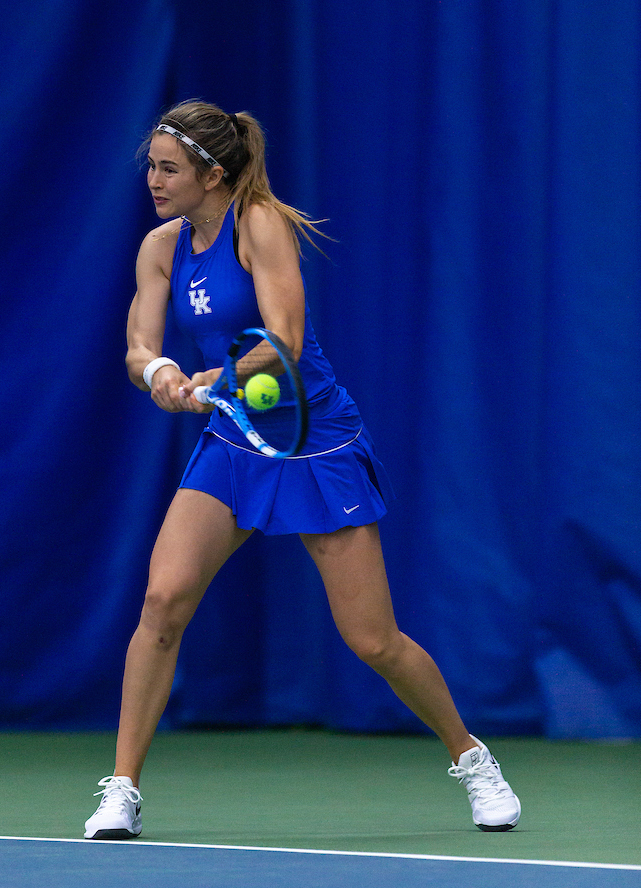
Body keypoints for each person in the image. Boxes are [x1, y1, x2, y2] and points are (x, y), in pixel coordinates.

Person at [84, 100, 520, 840]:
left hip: (315, 443)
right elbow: (137, 343)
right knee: (162, 601)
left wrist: (216, 378)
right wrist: (158, 371)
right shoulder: (160, 247)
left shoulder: (260, 224)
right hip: (230, 446)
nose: (153, 181)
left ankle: (472, 758)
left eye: (168, 169)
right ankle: (122, 789)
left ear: (210, 173)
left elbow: (283, 338)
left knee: (372, 640)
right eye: (151, 167)